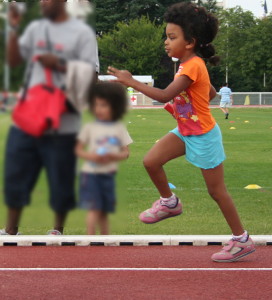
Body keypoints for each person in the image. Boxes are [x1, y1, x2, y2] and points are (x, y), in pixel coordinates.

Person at [108, 2, 255, 262]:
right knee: (151, 161)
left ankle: (241, 240)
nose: (166, 42)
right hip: (186, 130)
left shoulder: (192, 65)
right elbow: (208, 93)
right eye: (167, 36)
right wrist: (191, 106)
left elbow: (164, 94)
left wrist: (131, 82)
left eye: (172, 37)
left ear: (190, 42)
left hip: (204, 136)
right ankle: (169, 202)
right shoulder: (189, 65)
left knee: (217, 192)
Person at [1, 0, 97, 235]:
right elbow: (13, 61)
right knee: (16, 173)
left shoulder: (82, 33)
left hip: (62, 120)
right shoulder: (35, 29)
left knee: (60, 178)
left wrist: (60, 64)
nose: (42, 1)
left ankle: (57, 231)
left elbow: (92, 76)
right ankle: (10, 229)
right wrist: (13, 28)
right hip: (28, 115)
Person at [75, 82, 132, 235]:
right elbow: (78, 150)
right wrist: (91, 156)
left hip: (108, 174)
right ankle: (90, 238)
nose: (99, 109)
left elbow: (126, 152)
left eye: (104, 105)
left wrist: (114, 156)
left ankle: (105, 240)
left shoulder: (119, 128)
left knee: (105, 209)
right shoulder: (90, 127)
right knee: (94, 208)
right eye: (96, 105)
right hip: (91, 174)